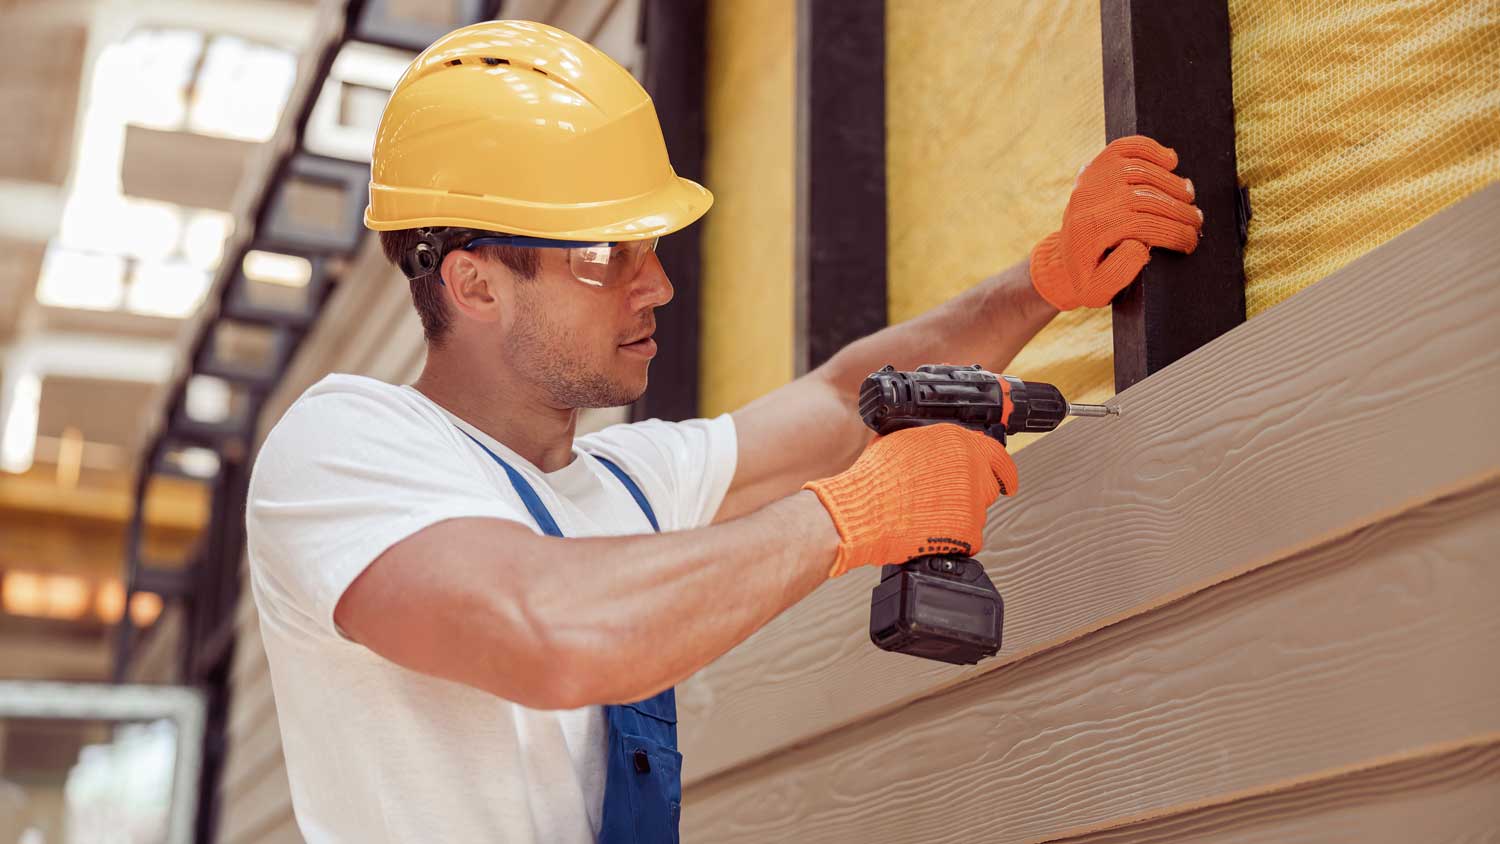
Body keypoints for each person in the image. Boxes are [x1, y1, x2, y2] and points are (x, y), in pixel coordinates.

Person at [245, 19, 1203, 844]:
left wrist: (1045, 280)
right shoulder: (344, 447)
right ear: (474, 284)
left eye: (651, 248)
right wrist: (849, 517)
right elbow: (551, 632)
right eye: (602, 257)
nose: (655, 283)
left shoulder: (625, 484)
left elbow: (840, 403)